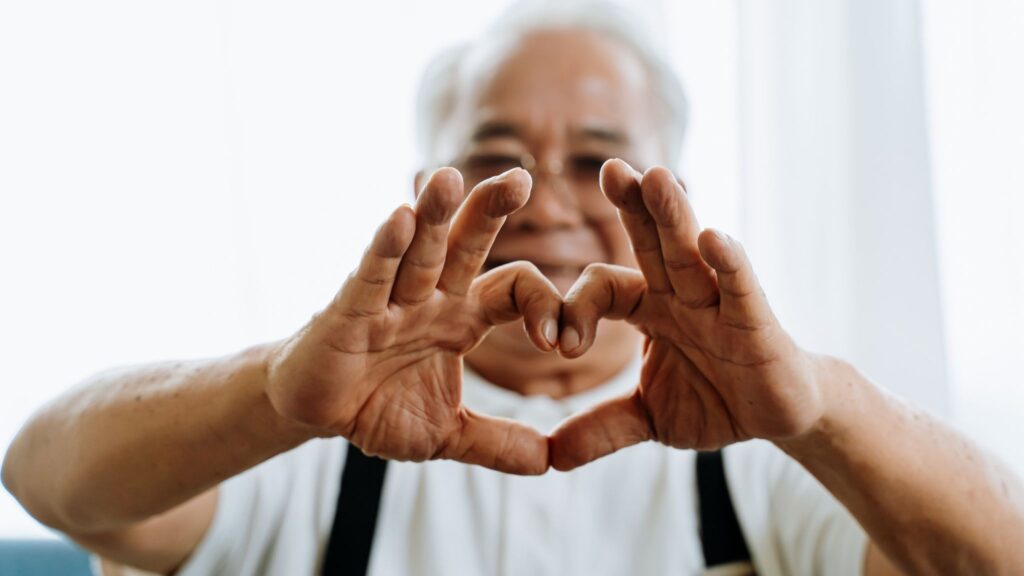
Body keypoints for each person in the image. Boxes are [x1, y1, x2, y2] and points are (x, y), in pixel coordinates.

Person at [4, 2, 1024, 575]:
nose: (545, 199)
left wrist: (824, 406)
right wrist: (275, 393)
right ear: (426, 195)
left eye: (599, 158)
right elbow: (50, 478)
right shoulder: (314, 440)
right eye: (496, 154)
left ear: (673, 195)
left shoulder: (766, 454)